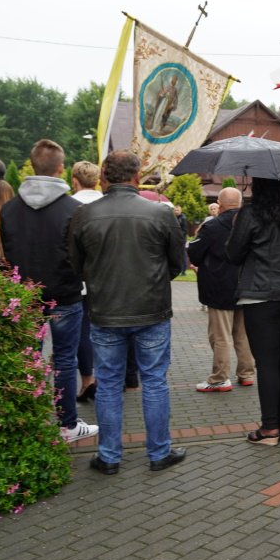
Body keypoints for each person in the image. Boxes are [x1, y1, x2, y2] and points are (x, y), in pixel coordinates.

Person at [69, 150, 186, 474]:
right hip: (151, 311)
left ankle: (109, 456)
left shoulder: (83, 215)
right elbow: (178, 263)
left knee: (107, 385)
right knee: (154, 382)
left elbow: (77, 266)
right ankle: (158, 452)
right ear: (137, 177)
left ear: (105, 177)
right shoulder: (161, 214)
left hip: (106, 311)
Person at [0, 139, 98, 444]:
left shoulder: (9, 209)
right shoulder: (75, 209)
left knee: (26, 358)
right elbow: (86, 255)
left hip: (25, 295)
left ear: (31, 166)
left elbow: (7, 252)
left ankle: (24, 422)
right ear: (61, 168)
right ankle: (67, 425)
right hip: (66, 294)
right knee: (65, 360)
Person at [225, 176, 280, 446]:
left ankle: (270, 429)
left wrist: (236, 227)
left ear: (258, 186)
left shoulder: (250, 214)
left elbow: (233, 255)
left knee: (266, 362)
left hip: (260, 296)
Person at [188, 187, 256, 392]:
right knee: (243, 335)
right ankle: (246, 374)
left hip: (219, 287)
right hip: (247, 286)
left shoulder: (213, 226)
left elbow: (195, 253)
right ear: (240, 203)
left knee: (221, 336)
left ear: (220, 203)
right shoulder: (253, 224)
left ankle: (219, 378)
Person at [70, 161, 103, 400]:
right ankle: (109, 377)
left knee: (84, 331)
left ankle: (87, 380)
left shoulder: (69, 207)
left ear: (74, 180)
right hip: (109, 279)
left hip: (81, 279)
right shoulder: (107, 204)